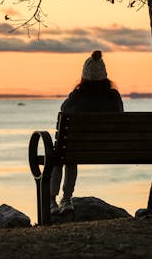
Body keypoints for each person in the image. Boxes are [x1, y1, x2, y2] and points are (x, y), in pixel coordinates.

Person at [50, 50, 124, 214]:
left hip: (77, 150)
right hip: (114, 150)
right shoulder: (113, 97)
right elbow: (120, 115)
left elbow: (64, 109)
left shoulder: (78, 97)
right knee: (69, 153)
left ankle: (54, 201)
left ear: (84, 76)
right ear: (105, 75)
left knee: (64, 154)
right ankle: (66, 199)